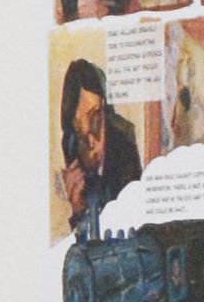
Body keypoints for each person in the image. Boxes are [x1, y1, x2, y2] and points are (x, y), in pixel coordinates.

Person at [59, 57, 143, 231]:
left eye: (95, 118)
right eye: (80, 130)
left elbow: (132, 223)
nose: (90, 141)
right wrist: (77, 208)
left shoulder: (123, 144)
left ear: (105, 111)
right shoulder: (71, 144)